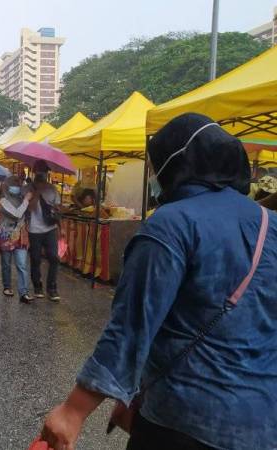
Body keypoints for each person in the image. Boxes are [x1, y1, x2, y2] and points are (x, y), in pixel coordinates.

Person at [38, 113, 277, 450]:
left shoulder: (171, 224)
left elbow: (132, 327)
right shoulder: (271, 222)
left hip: (184, 421)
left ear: (174, 165)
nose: (153, 177)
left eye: (155, 167)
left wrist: (73, 410)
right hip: (264, 426)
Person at [27, 160, 61, 302]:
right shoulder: (28, 189)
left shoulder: (52, 189)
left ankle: (52, 288)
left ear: (47, 174)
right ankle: (37, 286)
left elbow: (59, 208)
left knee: (54, 258)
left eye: (44, 172)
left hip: (50, 229)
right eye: (39, 172)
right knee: (35, 259)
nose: (41, 175)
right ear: (34, 173)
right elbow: (30, 208)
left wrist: (59, 221)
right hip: (34, 230)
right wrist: (37, 192)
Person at [0, 176, 34, 304]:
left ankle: (23, 292)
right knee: (6, 263)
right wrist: (27, 200)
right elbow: (16, 214)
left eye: (18, 184)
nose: (17, 187)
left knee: (22, 265)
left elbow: (26, 215)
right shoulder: (3, 201)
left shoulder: (21, 199)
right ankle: (7, 286)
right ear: (7, 187)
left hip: (20, 237)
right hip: (6, 235)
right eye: (13, 184)